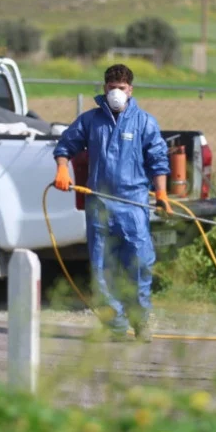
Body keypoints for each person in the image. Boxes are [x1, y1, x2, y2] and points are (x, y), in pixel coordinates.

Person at [53, 63, 171, 342]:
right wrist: (62, 168)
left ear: (130, 90)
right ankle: (115, 326)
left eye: (121, 88)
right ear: (104, 88)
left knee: (139, 266)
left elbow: (158, 160)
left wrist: (162, 194)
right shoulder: (90, 121)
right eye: (111, 87)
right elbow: (65, 145)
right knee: (102, 269)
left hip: (134, 205)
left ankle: (140, 322)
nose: (116, 92)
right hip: (100, 206)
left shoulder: (145, 122)